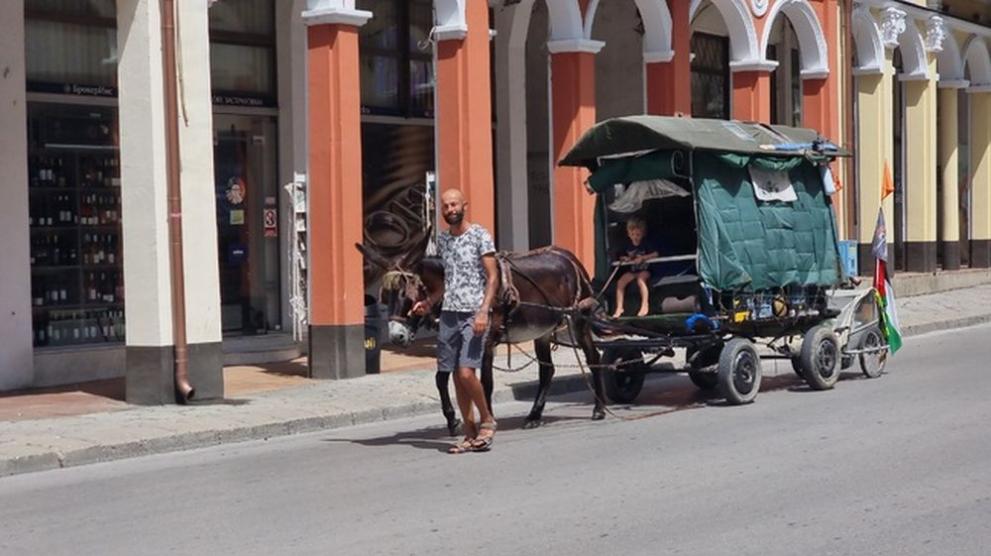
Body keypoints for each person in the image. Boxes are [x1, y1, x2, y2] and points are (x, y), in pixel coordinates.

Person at [410, 188, 499, 454]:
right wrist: (429, 303)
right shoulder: (444, 241)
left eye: (454, 205)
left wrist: (484, 311)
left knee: (466, 372)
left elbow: (492, 278)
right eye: (446, 206)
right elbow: (448, 282)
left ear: (464, 206)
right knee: (455, 377)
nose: (450, 210)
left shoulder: (480, 235)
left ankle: (487, 419)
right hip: (449, 313)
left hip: (473, 313)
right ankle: (470, 434)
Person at [612, 216, 659, 318]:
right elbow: (621, 255)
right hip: (633, 270)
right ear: (629, 234)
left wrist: (643, 258)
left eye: (638, 234)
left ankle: (645, 305)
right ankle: (619, 307)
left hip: (645, 269)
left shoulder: (646, 243)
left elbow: (655, 254)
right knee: (621, 282)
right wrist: (625, 258)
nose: (635, 237)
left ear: (642, 234)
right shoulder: (627, 245)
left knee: (641, 280)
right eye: (633, 234)